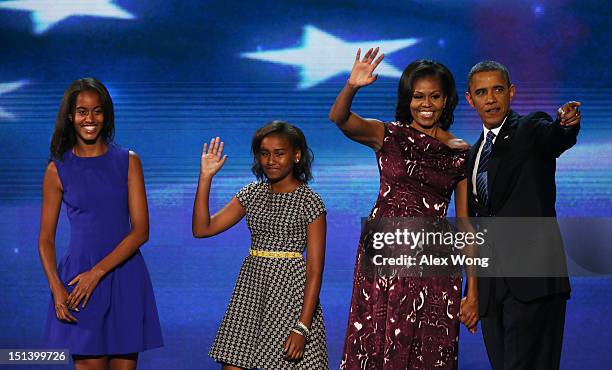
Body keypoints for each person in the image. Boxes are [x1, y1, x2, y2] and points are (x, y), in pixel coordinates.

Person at [330, 48, 478, 369]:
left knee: (427, 350)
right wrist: (352, 86)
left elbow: (466, 225)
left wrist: (474, 290)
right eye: (418, 96)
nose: (426, 105)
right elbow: (339, 118)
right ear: (407, 99)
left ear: (447, 100)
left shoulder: (460, 152)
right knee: (377, 340)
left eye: (434, 96)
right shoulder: (388, 135)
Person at [39, 77, 163, 370]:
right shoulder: (57, 169)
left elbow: (141, 230)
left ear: (106, 115)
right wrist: (57, 288)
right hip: (78, 284)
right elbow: (45, 239)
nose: (89, 119)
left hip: (125, 276)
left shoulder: (128, 161)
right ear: (70, 116)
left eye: (97, 111)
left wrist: (98, 273)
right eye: (82, 111)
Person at [464, 60, 581, 370]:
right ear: (470, 99)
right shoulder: (472, 154)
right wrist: (472, 292)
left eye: (498, 90)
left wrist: (566, 124)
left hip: (533, 282)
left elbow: (554, 136)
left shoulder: (529, 129)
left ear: (511, 93)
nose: (490, 99)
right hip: (491, 290)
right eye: (482, 92)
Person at [193, 121, 329, 369]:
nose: (270, 160)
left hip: (290, 295)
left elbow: (315, 271)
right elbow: (202, 229)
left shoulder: (310, 202)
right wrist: (205, 178)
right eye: (264, 153)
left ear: (296, 155)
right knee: (233, 363)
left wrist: (302, 327)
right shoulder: (251, 194)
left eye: (279, 153)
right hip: (251, 290)